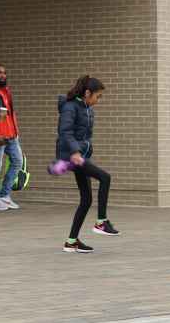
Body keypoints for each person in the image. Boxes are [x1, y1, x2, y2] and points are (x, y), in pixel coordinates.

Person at [57, 75, 119, 253]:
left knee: (86, 199)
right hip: (72, 156)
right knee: (105, 178)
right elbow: (65, 132)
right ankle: (101, 222)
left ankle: (71, 241)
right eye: (97, 97)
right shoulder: (70, 107)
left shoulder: (86, 108)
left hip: (80, 155)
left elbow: (84, 135)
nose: (98, 101)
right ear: (87, 93)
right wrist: (75, 152)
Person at [0, 62, 23, 212]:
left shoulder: (5, 90)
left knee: (17, 162)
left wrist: (16, 131)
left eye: (4, 73)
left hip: (11, 134)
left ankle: (5, 195)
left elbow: (9, 114)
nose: (3, 75)